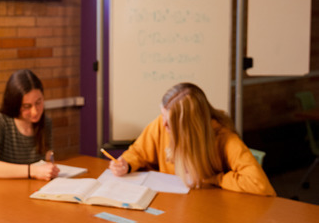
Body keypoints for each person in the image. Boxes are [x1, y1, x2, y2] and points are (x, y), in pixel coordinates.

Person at [109, 82, 276, 196]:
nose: (163, 124)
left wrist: (216, 179)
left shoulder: (224, 139)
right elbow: (138, 152)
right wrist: (127, 164)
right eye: (162, 116)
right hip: (171, 205)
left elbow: (259, 184)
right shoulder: (161, 125)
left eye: (171, 122)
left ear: (190, 127)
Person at [0, 69, 59, 180]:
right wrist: (33, 171)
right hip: (3, 190)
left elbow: (48, 159)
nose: (35, 111)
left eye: (38, 102)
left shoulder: (45, 122)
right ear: (14, 104)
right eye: (27, 106)